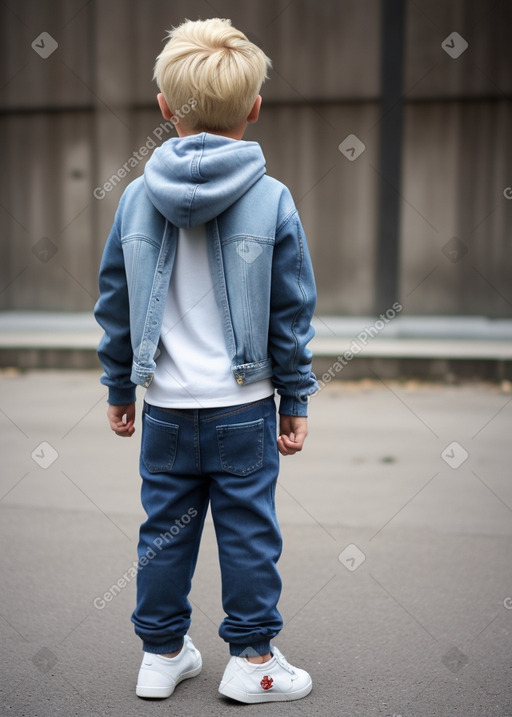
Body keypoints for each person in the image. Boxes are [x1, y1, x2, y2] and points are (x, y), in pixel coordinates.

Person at [94, 17, 317, 704]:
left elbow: (115, 297)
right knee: (250, 532)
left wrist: (119, 385)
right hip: (244, 410)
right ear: (254, 107)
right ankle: (253, 659)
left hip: (163, 409)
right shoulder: (272, 197)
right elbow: (290, 312)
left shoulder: (135, 196)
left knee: (162, 533)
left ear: (164, 108)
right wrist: (297, 397)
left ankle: (161, 653)